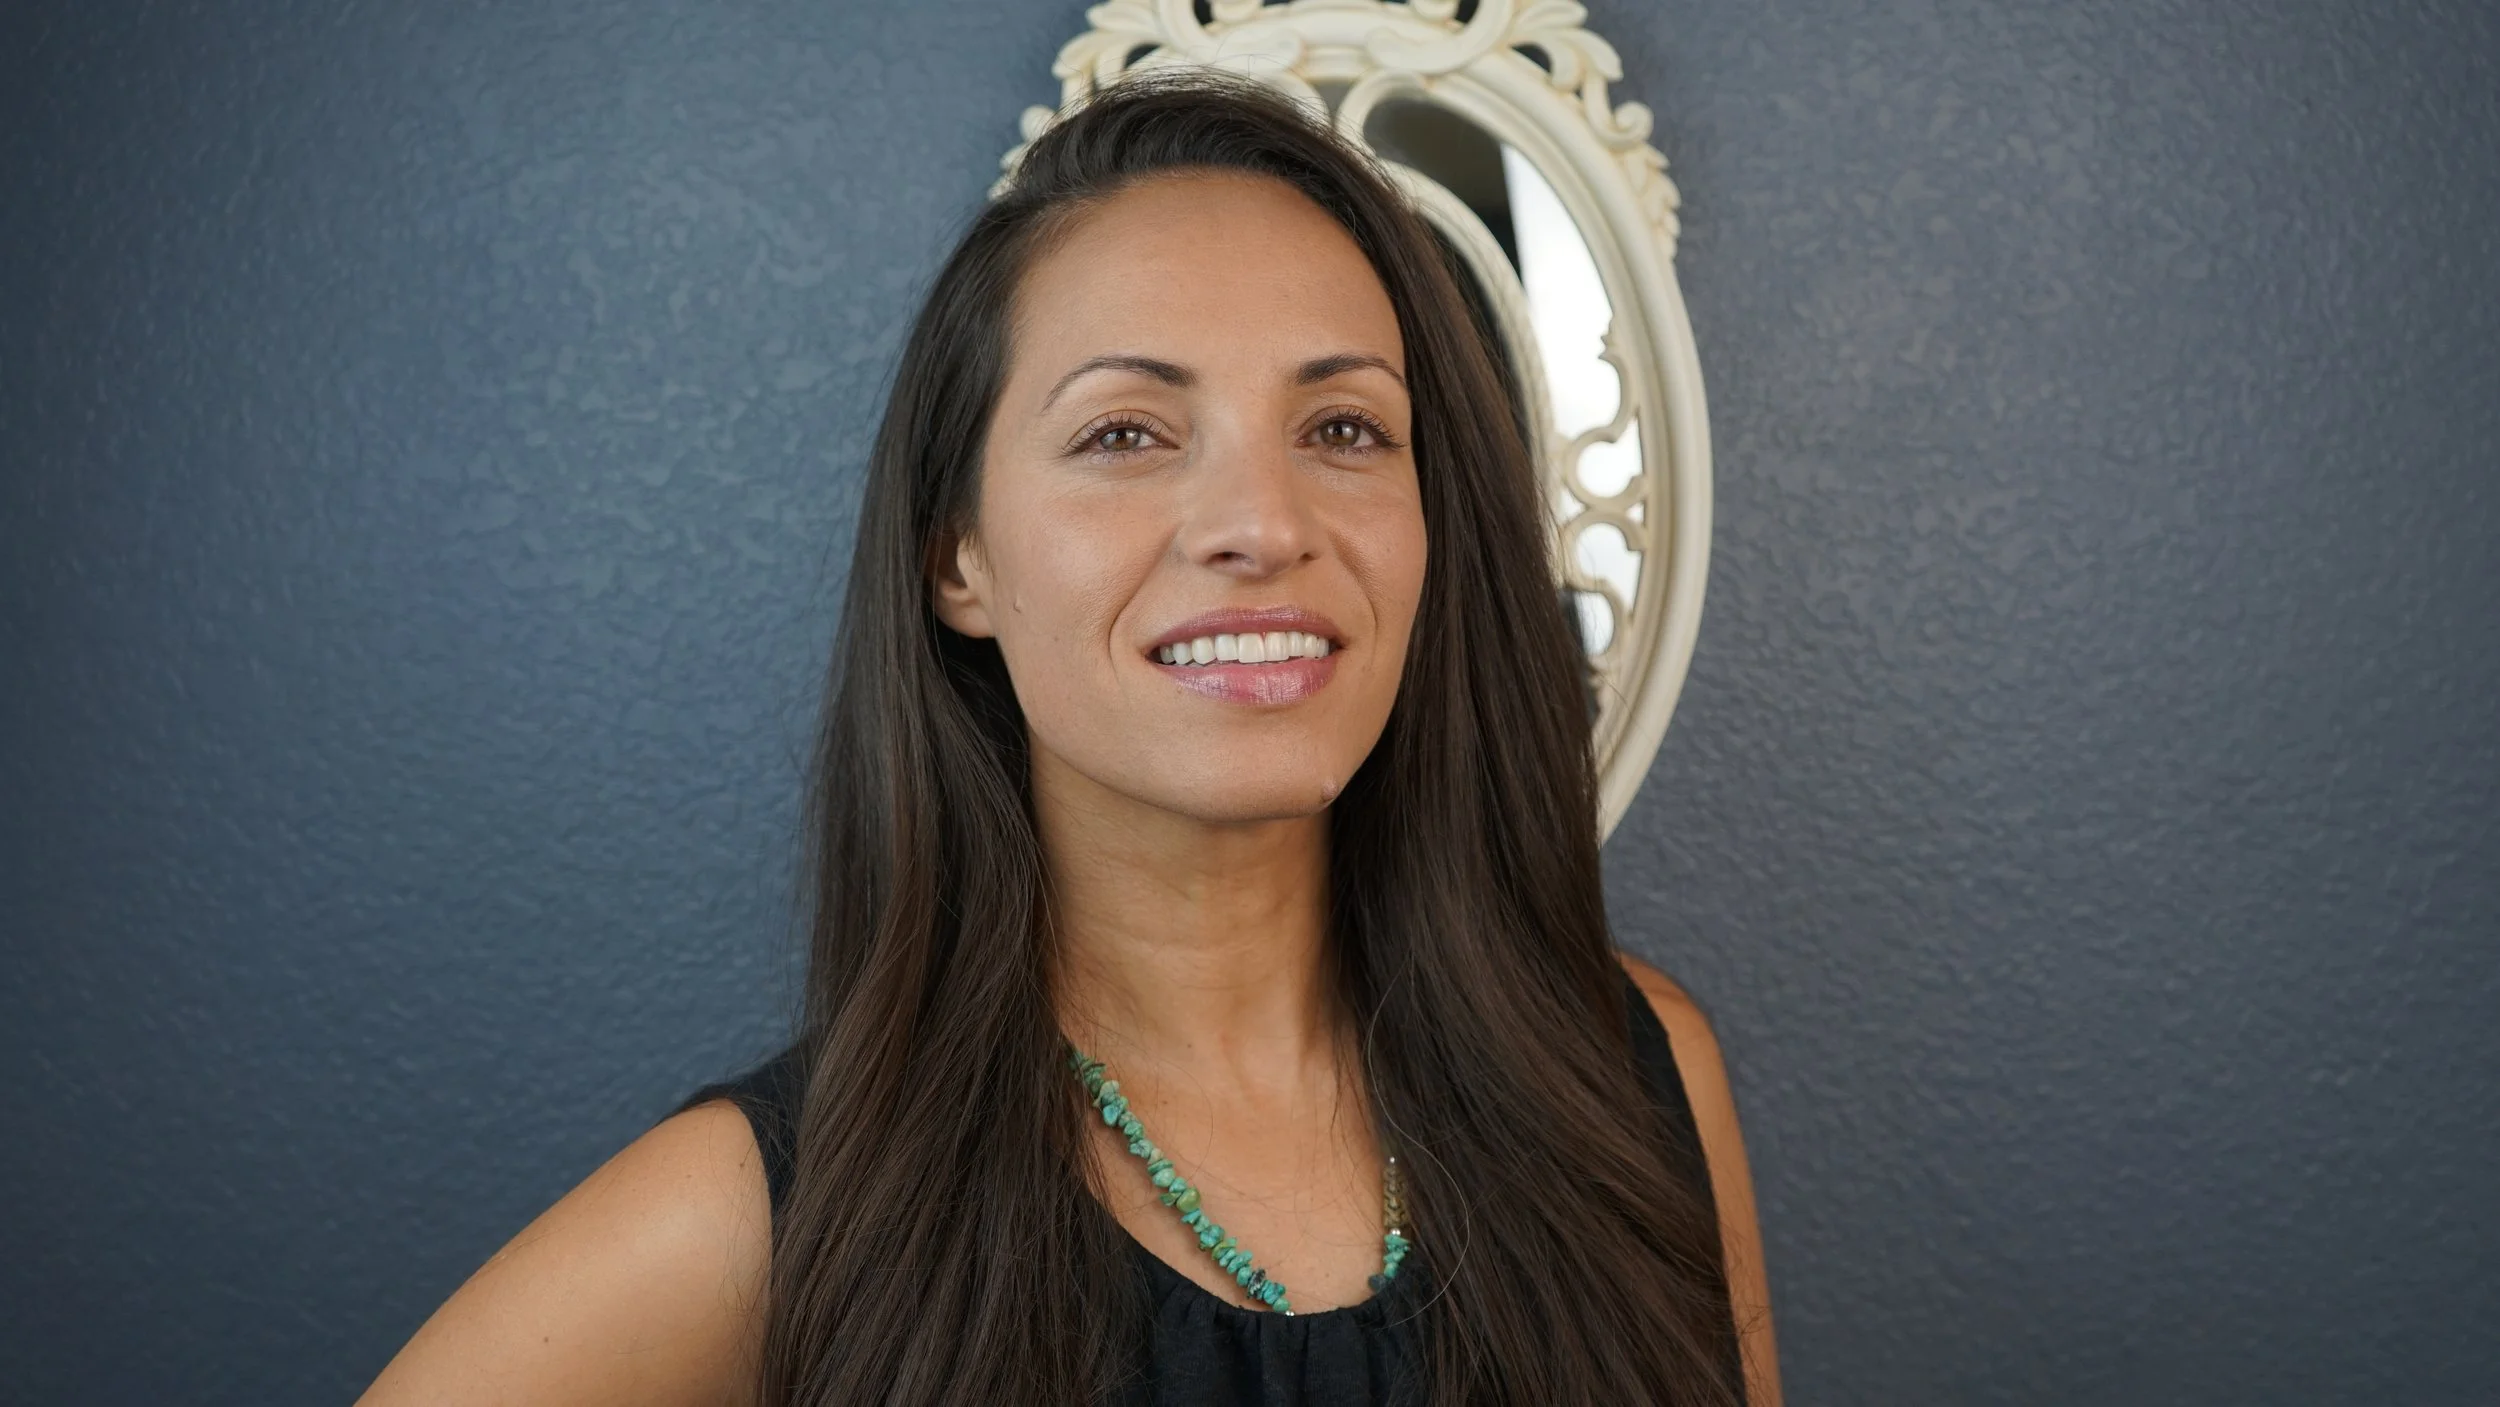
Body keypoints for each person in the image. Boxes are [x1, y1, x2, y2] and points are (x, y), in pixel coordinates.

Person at [358, 69, 1780, 1407]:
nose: (1265, 523)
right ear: (957, 557)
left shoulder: (1639, 1077)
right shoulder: (761, 1216)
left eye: (1345, 427)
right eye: (1126, 434)